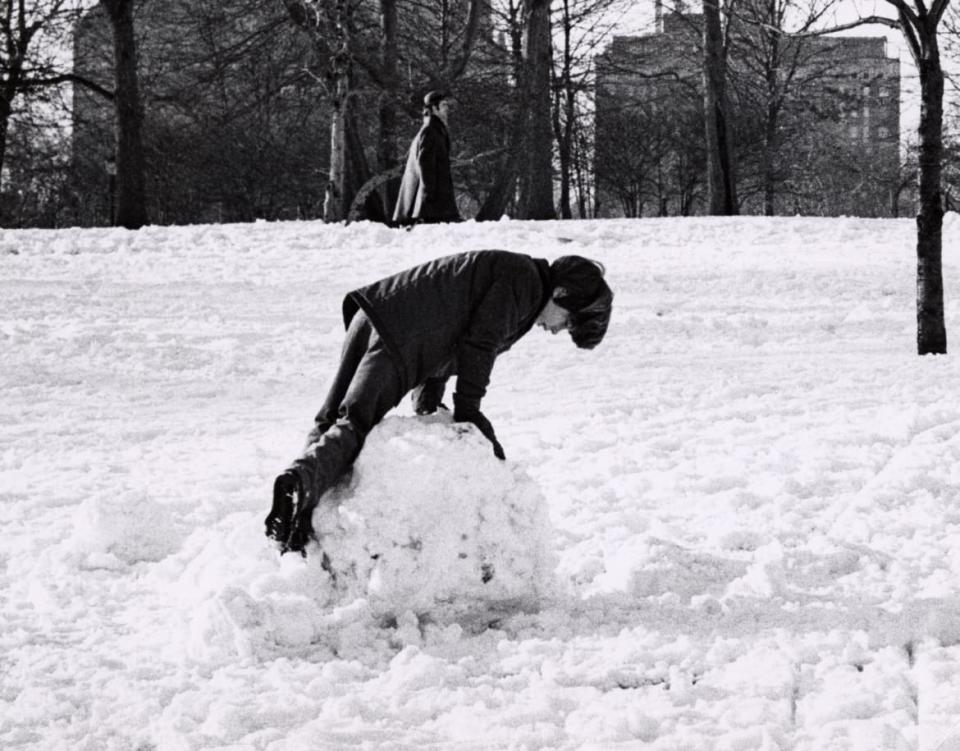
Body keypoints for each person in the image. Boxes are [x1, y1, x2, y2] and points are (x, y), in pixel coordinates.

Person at [265, 250, 614, 555]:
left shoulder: (517, 276)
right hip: (400, 338)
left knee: (331, 420)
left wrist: (429, 403)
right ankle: (299, 485)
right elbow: (479, 344)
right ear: (562, 293)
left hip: (375, 315)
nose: (556, 330)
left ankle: (301, 520)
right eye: (567, 322)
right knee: (356, 422)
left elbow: (452, 328)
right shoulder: (524, 284)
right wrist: (469, 412)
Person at [392, 90, 462, 226]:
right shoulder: (430, 130)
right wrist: (428, 195)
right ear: (434, 109)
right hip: (431, 204)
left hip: (434, 202)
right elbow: (425, 164)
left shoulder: (435, 129)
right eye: (443, 105)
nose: (447, 109)